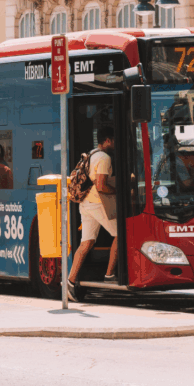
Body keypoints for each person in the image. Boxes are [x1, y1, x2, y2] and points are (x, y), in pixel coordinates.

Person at [67, 127, 118, 300]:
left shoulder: (91, 154)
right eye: (114, 140)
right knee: (121, 234)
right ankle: (110, 275)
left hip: (85, 203)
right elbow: (101, 186)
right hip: (98, 203)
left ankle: (70, 282)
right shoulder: (104, 158)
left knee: (86, 242)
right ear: (108, 141)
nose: (115, 144)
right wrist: (117, 191)